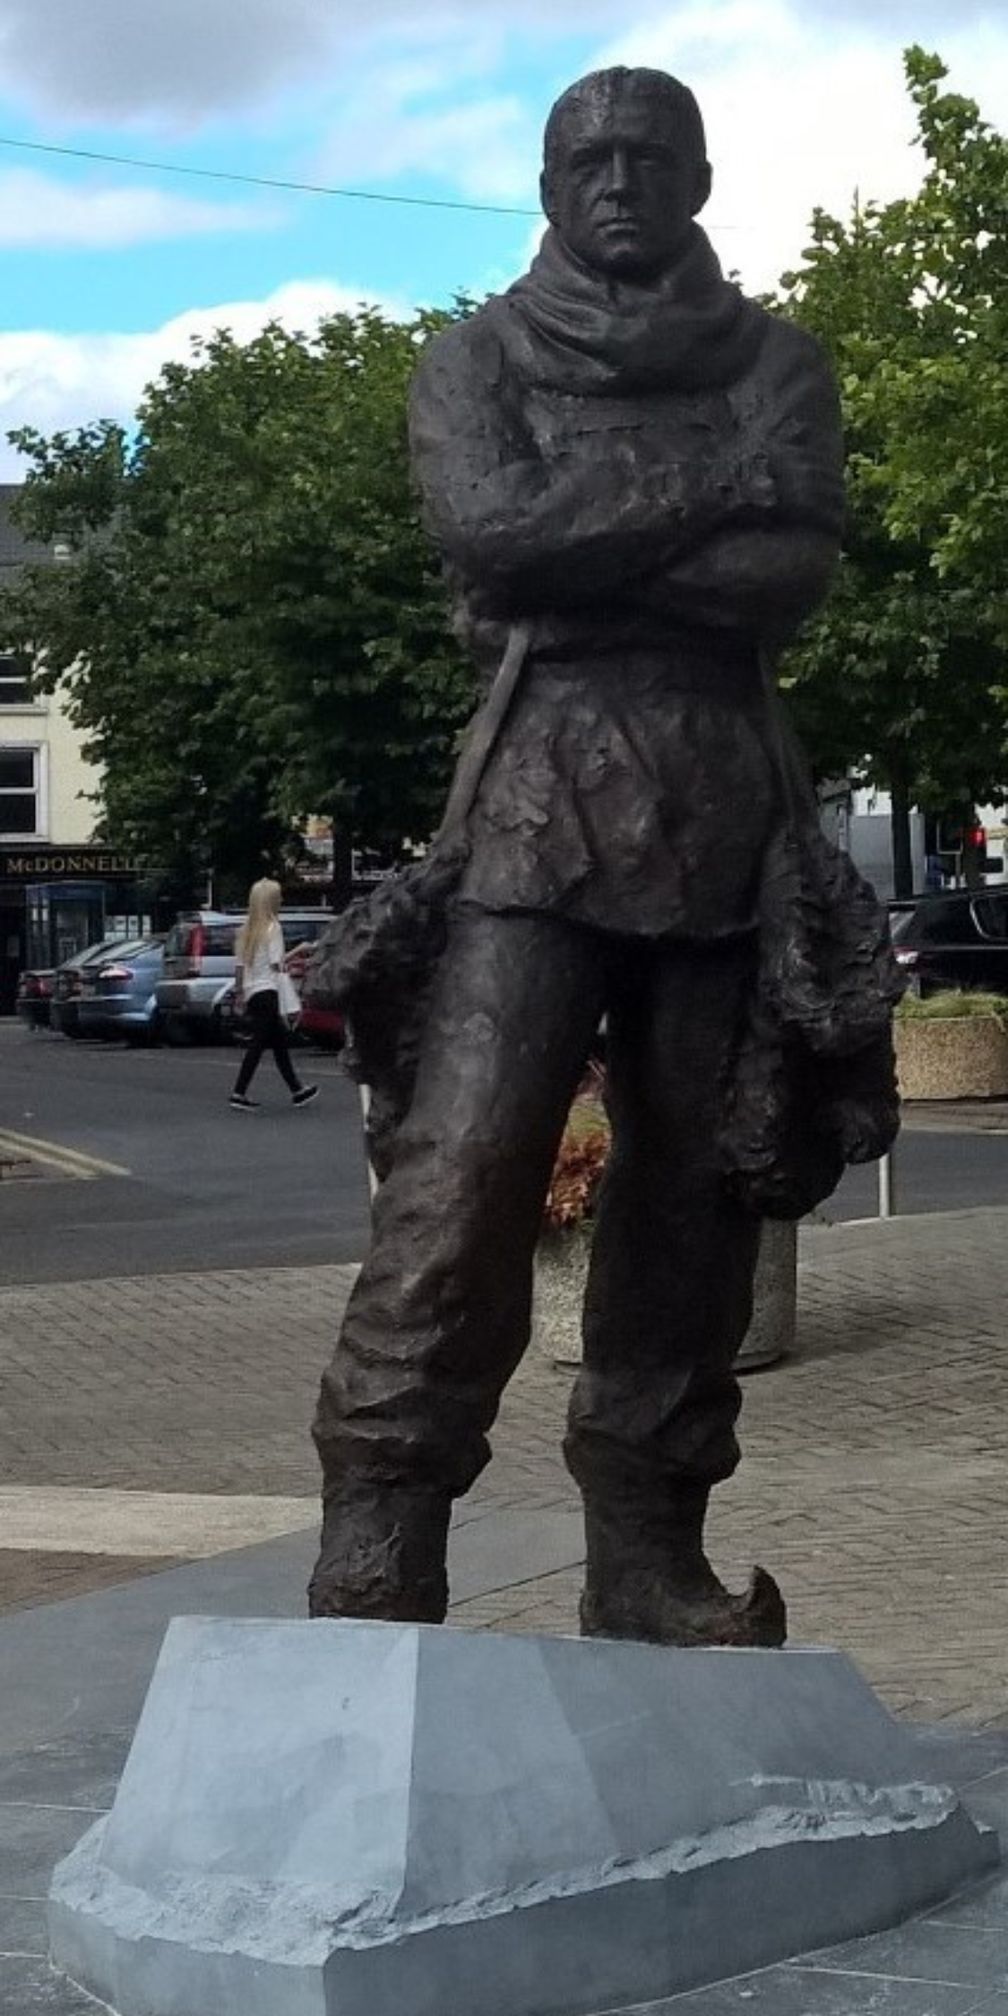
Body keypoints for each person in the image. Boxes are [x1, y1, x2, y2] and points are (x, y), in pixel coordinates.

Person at [308, 66, 899, 1642]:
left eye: (652, 157)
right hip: (534, 806)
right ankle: (381, 1534)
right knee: (463, 1175)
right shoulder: (476, 358)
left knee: (695, 1200)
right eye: (590, 158)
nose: (620, 180)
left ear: (699, 178)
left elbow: (784, 576)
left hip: (728, 813)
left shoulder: (781, 361)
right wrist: (697, 497)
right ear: (550, 183)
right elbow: (488, 539)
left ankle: (645, 1552)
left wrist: (578, 549)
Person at [229, 878, 318, 1111]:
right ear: (271, 901)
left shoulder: (245, 931)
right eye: (278, 896)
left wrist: (239, 993)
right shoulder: (273, 927)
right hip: (268, 990)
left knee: (278, 1042)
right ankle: (239, 1092)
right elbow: (277, 965)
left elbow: (240, 967)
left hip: (252, 992)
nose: (281, 900)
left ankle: (297, 1090)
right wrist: (299, 950)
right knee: (259, 1044)